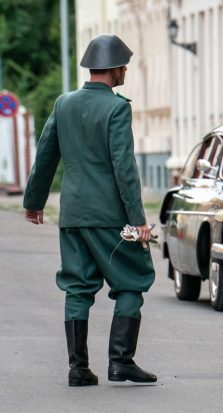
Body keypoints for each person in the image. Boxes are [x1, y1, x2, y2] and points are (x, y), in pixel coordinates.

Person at [23, 34, 157, 386]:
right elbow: (123, 167)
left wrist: (34, 202)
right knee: (131, 281)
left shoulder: (63, 103)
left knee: (78, 287)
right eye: (124, 66)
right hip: (109, 216)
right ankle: (121, 362)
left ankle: (78, 369)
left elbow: (46, 154)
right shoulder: (116, 107)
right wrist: (138, 220)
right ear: (115, 69)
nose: (126, 70)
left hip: (72, 214)